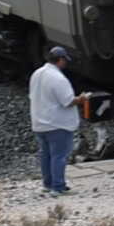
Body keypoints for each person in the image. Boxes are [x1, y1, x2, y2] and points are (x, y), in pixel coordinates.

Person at [29, 46, 83, 194]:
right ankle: (58, 187)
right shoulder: (58, 78)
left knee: (46, 156)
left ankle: (47, 184)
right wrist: (83, 98)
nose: (66, 63)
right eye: (65, 60)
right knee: (59, 156)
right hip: (57, 124)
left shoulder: (37, 73)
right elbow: (68, 101)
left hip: (40, 123)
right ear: (60, 60)